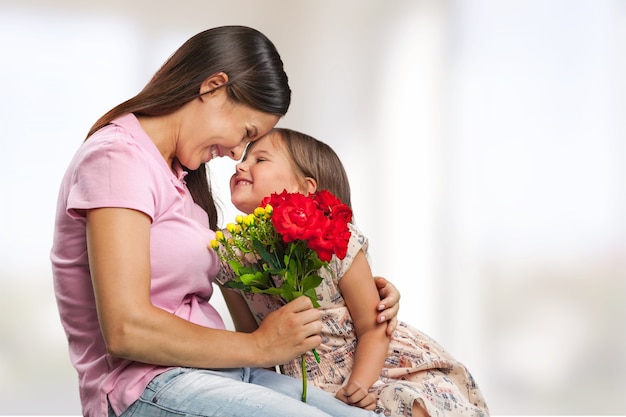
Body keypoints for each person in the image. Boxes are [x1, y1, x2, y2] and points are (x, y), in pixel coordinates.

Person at [50, 26, 401, 417]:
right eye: (246, 133)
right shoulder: (117, 158)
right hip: (147, 384)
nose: (236, 152)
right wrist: (260, 347)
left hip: (227, 372)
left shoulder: (180, 181)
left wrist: (363, 298)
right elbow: (125, 328)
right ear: (213, 87)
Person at [216, 128, 490, 417]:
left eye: (260, 159)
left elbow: (373, 327)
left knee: (406, 401)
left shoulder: (336, 241)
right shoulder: (231, 258)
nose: (240, 165)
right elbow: (252, 342)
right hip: (313, 388)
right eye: (245, 158)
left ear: (306, 188)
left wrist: (359, 386)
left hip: (380, 369)